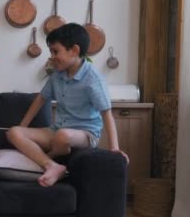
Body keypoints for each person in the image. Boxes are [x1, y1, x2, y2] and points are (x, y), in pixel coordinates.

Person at [7, 23, 129, 187]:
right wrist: (23, 126)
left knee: (63, 136)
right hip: (56, 130)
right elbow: (40, 99)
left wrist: (114, 148)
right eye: (51, 51)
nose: (51, 56)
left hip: (85, 134)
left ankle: (51, 155)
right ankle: (52, 165)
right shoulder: (57, 75)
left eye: (55, 51)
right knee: (13, 133)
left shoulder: (93, 79)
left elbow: (107, 114)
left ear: (74, 50)